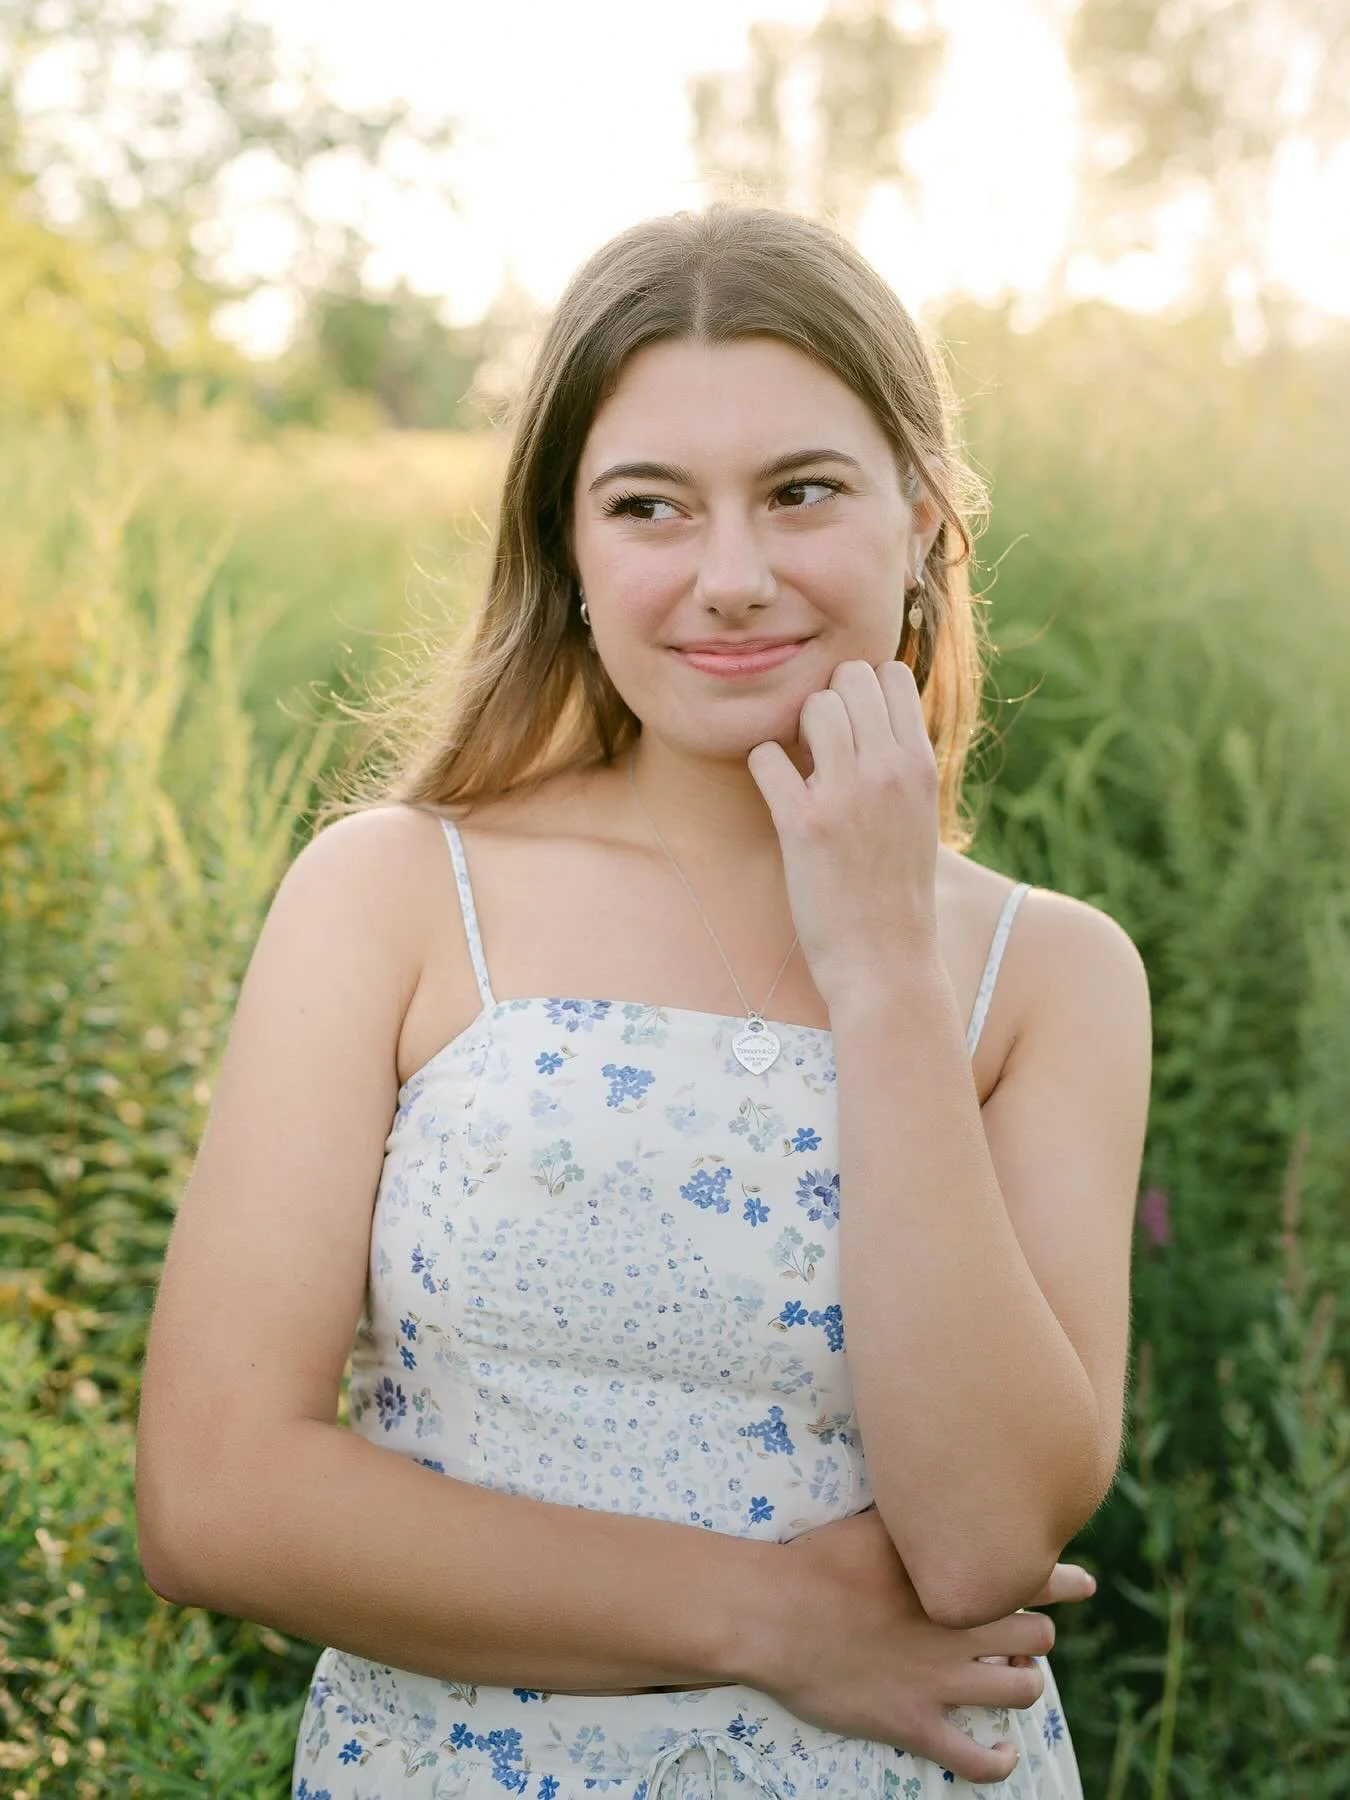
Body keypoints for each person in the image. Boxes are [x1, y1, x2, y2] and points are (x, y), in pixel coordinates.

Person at [135, 204, 1151, 1799]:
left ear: (925, 524)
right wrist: (767, 1618)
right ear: (571, 551)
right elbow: (212, 1493)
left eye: (801, 492)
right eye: (650, 507)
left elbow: (981, 1538)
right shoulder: (396, 896)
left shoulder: (1054, 975)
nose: (730, 577)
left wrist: (884, 967)